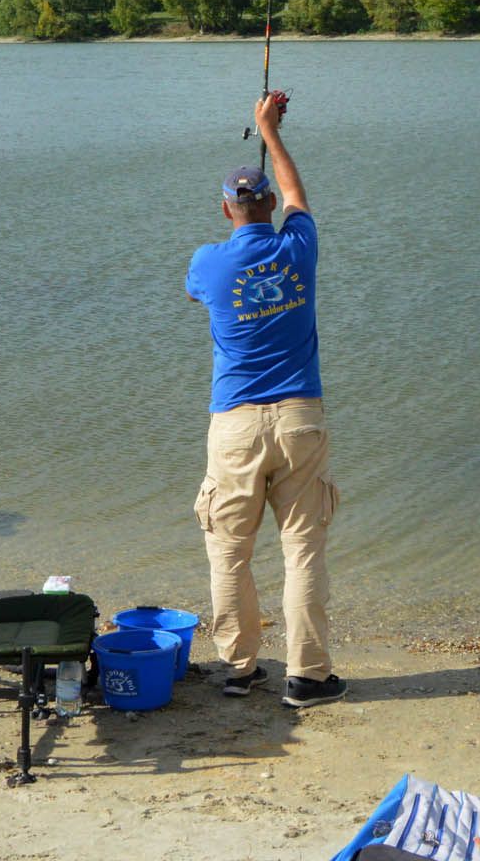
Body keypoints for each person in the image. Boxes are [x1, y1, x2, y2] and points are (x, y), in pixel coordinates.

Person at [184, 90, 346, 708]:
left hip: (236, 427)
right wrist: (270, 132)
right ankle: (308, 678)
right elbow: (299, 197)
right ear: (271, 207)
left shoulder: (208, 263)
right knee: (302, 550)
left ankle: (241, 669)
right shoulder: (298, 247)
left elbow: (199, 292)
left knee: (230, 551)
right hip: (301, 419)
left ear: (226, 210)